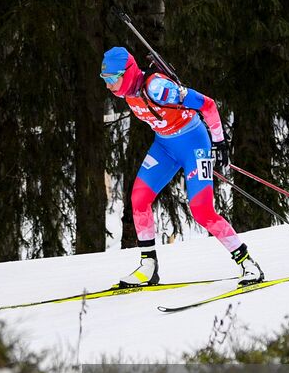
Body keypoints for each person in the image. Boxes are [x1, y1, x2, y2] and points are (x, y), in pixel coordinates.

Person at [100, 45, 264, 288]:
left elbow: (207, 105)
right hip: (164, 147)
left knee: (202, 210)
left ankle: (248, 263)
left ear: (128, 71)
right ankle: (148, 267)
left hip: (194, 145)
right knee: (139, 198)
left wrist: (219, 142)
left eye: (113, 78)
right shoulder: (127, 92)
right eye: (104, 79)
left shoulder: (158, 89)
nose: (108, 85)